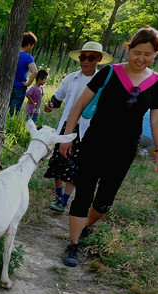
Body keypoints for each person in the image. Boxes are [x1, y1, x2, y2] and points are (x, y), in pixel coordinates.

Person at [58, 27, 158, 267]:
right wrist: (68, 137)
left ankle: (87, 226)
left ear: (156, 54)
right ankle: (73, 244)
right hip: (94, 143)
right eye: (137, 52)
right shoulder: (109, 72)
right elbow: (78, 106)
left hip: (125, 149)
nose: (141, 58)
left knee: (104, 201)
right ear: (128, 49)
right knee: (83, 194)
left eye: (148, 54)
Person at [43, 41, 113, 213]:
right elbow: (58, 98)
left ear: (98, 59)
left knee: (75, 165)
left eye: (91, 58)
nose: (86, 61)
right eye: (83, 57)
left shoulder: (102, 82)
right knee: (58, 162)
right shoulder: (71, 78)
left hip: (86, 130)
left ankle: (64, 200)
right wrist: (51, 104)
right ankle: (58, 195)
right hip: (67, 126)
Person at [9, 32, 38, 116]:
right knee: (14, 113)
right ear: (29, 44)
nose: (32, 48)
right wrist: (28, 83)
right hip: (19, 87)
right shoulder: (27, 57)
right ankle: (11, 127)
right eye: (32, 46)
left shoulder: (12, 54)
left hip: (8, 86)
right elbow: (35, 71)